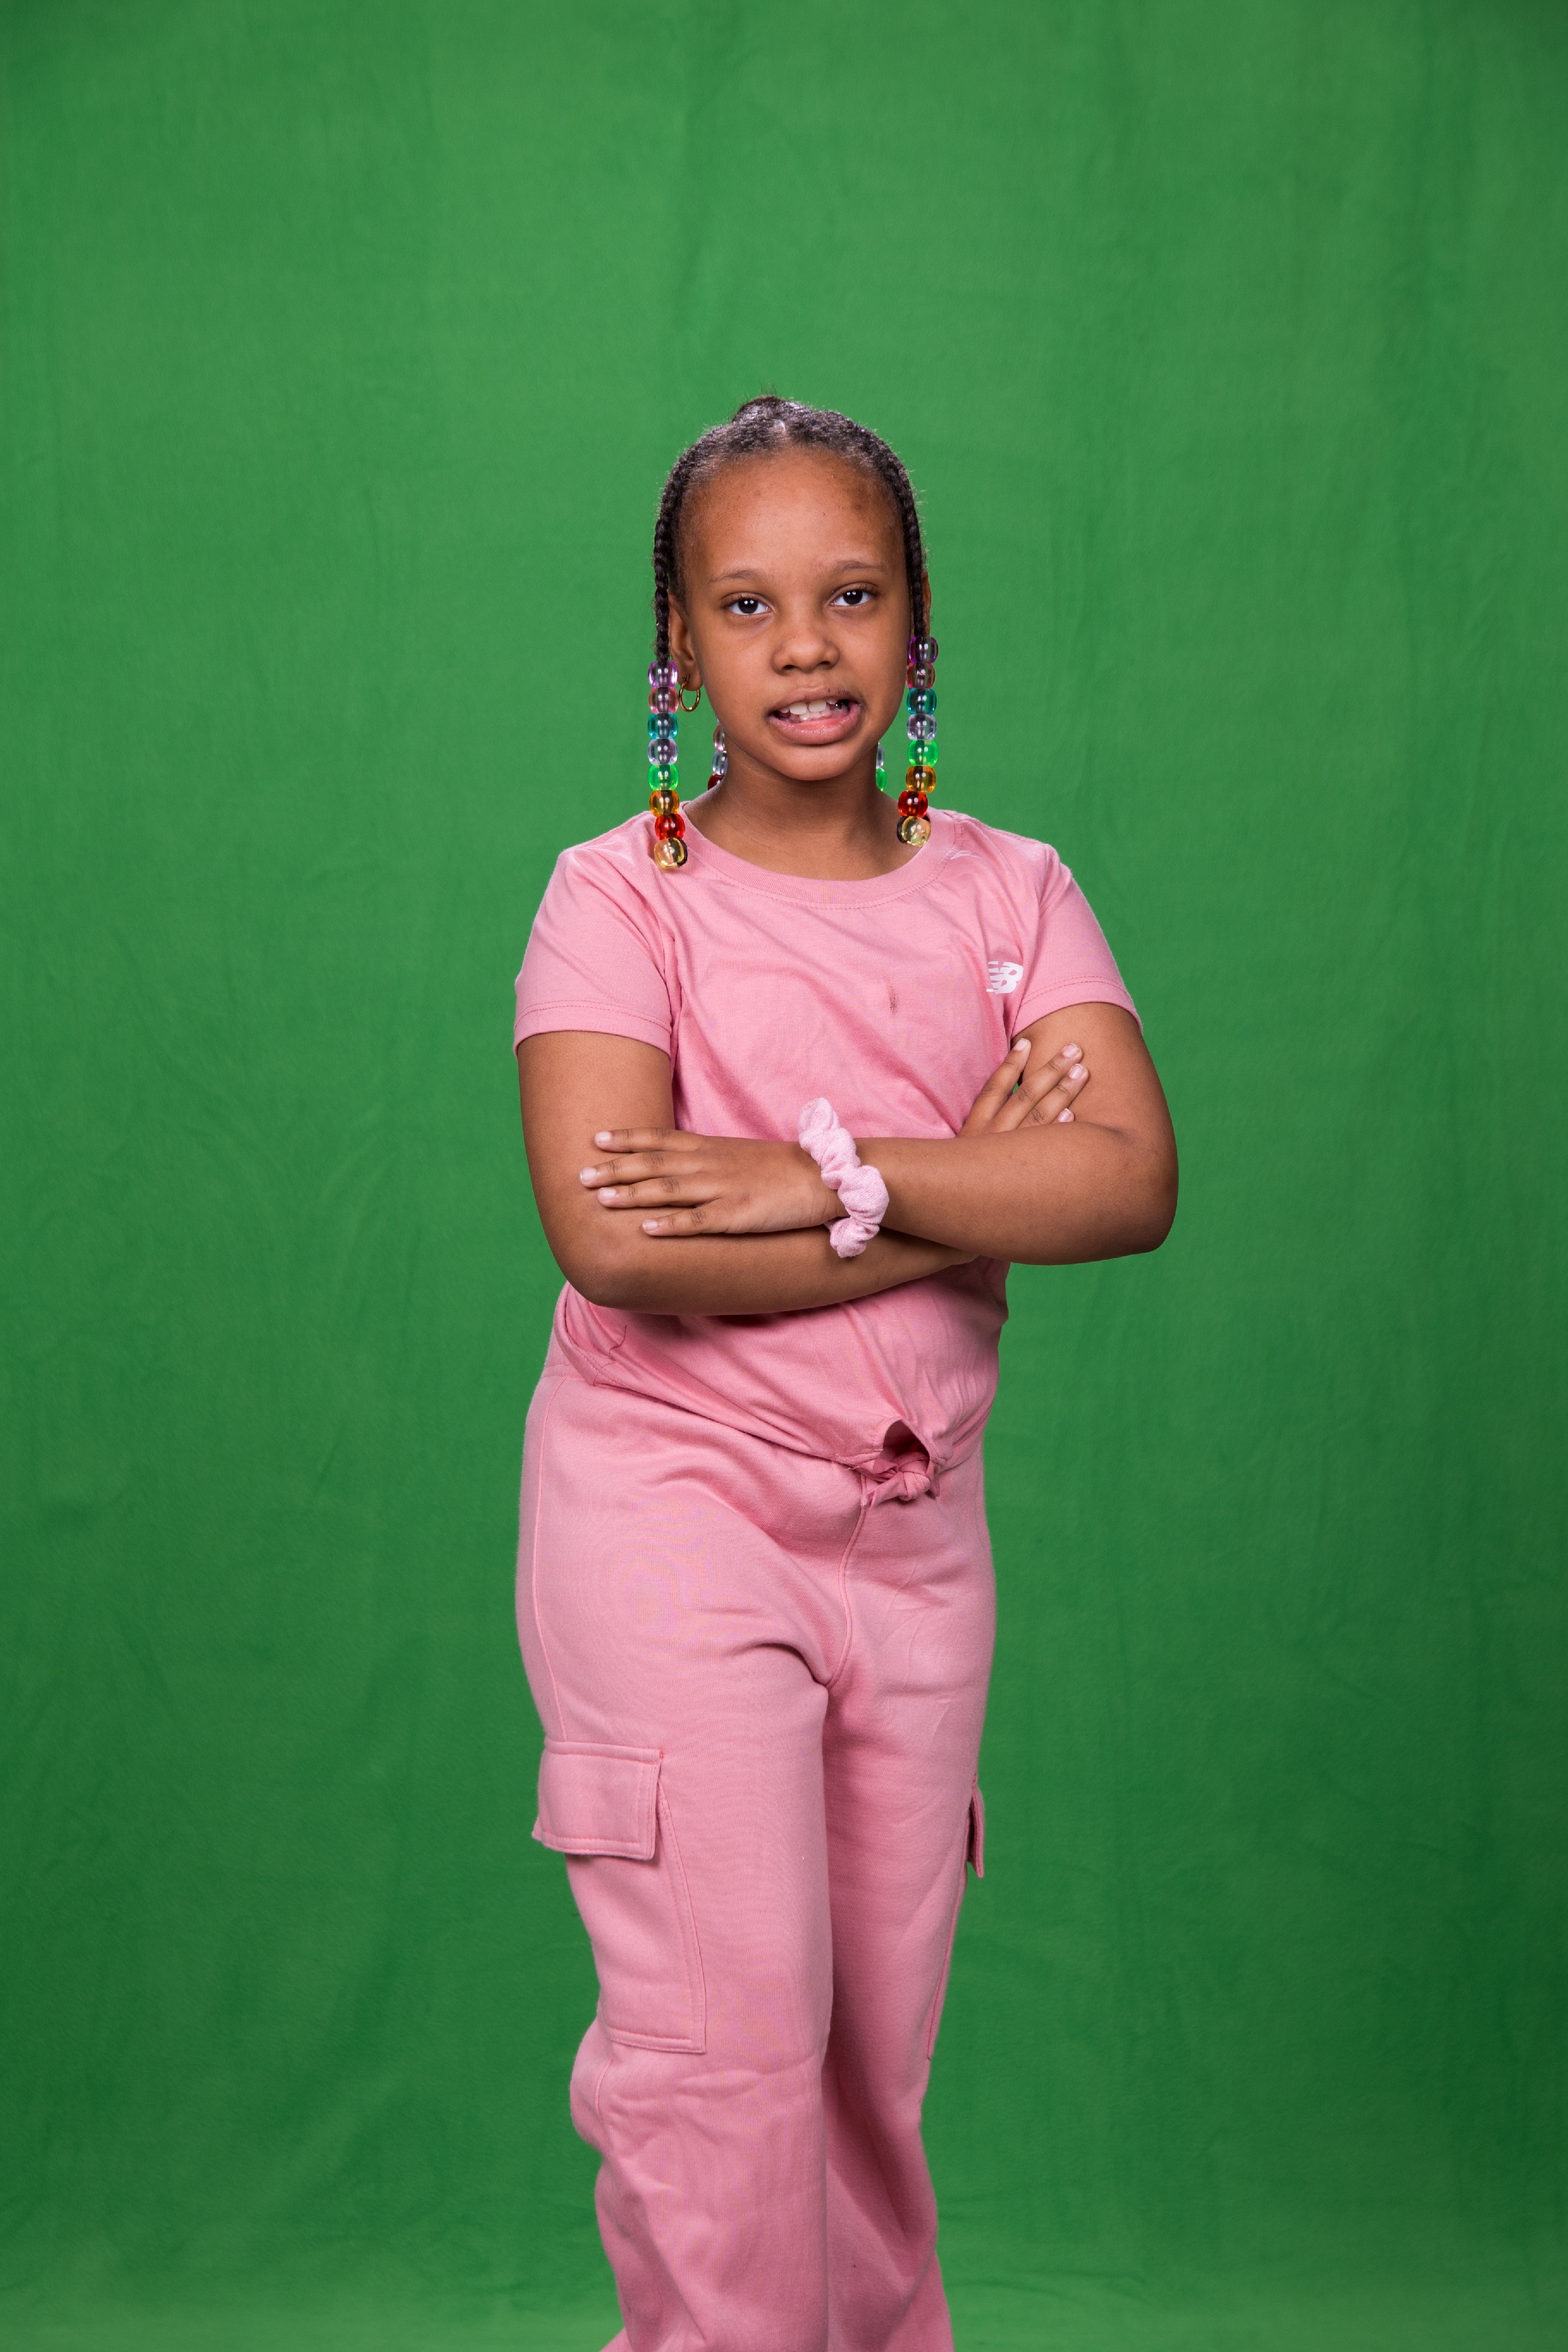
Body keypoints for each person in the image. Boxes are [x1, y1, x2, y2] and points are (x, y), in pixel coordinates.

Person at [513, 395, 1177, 2352]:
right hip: (674, 1521)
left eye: (852, 595)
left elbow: (1128, 1182)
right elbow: (623, 1242)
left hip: (914, 1544)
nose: (805, 647)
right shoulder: (616, 900)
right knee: (723, 2078)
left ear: (918, 623)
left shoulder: (1014, 892)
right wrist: (968, 1186)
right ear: (677, 642)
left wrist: (815, 1179)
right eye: (747, 604)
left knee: (870, 2085)